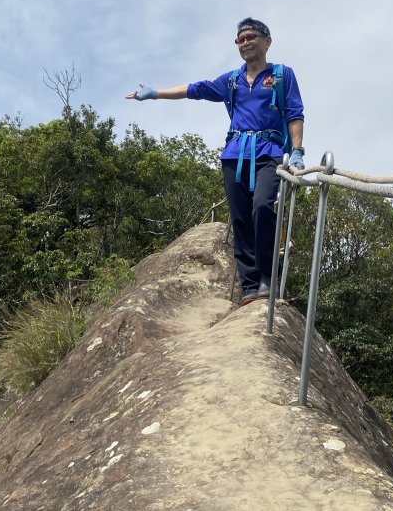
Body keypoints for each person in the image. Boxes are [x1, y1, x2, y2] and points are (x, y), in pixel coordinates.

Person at [126, 17, 305, 305]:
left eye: (251, 37)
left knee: (262, 207)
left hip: (269, 153)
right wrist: (155, 94)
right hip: (234, 154)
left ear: (266, 41)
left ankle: (268, 278)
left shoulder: (282, 75)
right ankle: (250, 287)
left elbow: (295, 113)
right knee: (240, 219)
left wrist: (297, 151)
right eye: (240, 39)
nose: (245, 43)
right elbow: (192, 90)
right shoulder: (231, 80)